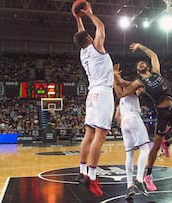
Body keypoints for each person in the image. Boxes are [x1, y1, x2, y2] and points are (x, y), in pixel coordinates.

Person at [113, 42, 172, 191]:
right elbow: (121, 89)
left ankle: (168, 143)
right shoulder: (139, 83)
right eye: (138, 64)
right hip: (162, 112)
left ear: (146, 66)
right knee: (155, 145)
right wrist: (114, 75)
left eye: (142, 62)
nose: (141, 64)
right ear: (137, 70)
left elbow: (153, 55)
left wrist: (140, 46)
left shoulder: (156, 73)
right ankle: (148, 175)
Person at [72, 2, 114, 197]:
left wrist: (78, 18)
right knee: (100, 135)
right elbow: (101, 27)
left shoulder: (83, 52)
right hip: (103, 92)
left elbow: (82, 34)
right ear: (90, 38)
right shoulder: (96, 46)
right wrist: (89, 14)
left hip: (91, 94)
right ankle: (93, 177)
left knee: (88, 134)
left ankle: (82, 173)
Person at [114, 76, 149, 199]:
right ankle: (139, 179)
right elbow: (139, 88)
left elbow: (117, 117)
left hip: (124, 122)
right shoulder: (131, 90)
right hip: (133, 117)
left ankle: (129, 186)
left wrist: (115, 77)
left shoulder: (121, 100)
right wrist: (116, 75)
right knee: (145, 149)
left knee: (129, 155)